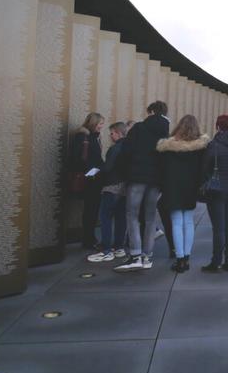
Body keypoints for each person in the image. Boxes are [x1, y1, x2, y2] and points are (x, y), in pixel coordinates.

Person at [114, 101, 169, 272]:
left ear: (151, 111)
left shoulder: (138, 128)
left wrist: (125, 173)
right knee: (151, 218)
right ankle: (147, 256)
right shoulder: (165, 133)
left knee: (132, 215)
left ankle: (135, 255)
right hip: (156, 180)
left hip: (137, 177)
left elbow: (126, 152)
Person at [156, 115, 209, 272]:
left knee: (176, 222)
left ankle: (179, 259)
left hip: (172, 189)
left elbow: (161, 171)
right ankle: (187, 257)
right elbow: (203, 171)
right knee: (188, 221)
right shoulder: (200, 148)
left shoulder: (167, 147)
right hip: (190, 189)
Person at [201, 114, 228, 272]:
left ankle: (216, 262)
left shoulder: (214, 145)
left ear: (218, 127)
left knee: (218, 228)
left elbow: (205, 168)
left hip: (216, 191)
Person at [87, 121, 128, 262]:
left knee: (106, 218)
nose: (110, 136)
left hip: (111, 187)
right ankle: (119, 248)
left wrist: (97, 172)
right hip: (125, 188)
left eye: (111, 133)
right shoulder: (130, 147)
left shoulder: (115, 148)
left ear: (118, 132)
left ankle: (106, 250)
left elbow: (107, 168)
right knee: (121, 218)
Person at [68, 112, 105, 249]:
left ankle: (90, 238)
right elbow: (78, 158)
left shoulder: (95, 137)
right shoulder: (82, 137)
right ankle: (88, 239)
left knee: (93, 210)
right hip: (88, 179)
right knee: (90, 210)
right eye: (100, 123)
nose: (102, 126)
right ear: (93, 123)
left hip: (95, 178)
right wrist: (92, 169)